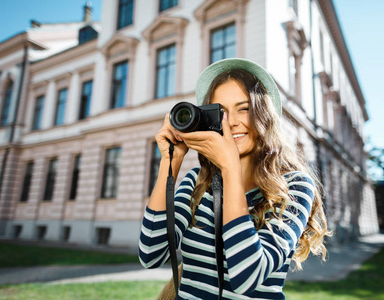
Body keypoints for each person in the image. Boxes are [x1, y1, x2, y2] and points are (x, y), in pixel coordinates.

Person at [139, 58, 330, 299]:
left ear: (264, 115)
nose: (231, 122)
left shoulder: (294, 187)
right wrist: (170, 162)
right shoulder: (197, 183)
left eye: (244, 108)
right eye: (221, 112)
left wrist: (229, 169)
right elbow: (150, 255)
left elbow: (248, 275)